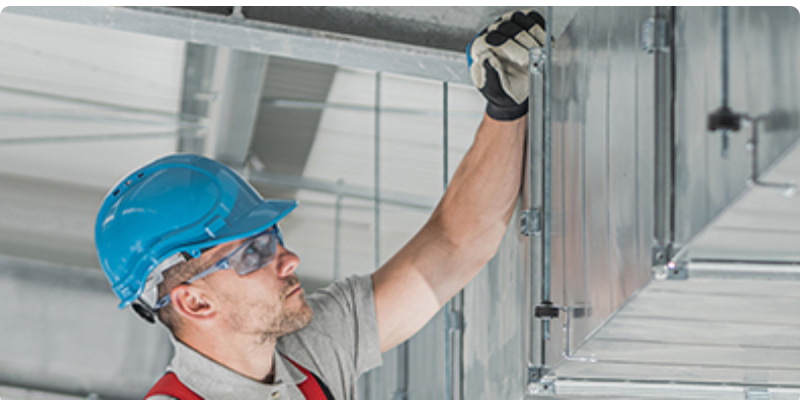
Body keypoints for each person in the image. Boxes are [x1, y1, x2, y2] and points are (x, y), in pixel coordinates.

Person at [94, 9, 546, 400]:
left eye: (272, 240)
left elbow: (453, 244)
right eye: (254, 253)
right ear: (194, 302)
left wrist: (505, 107)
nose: (289, 260)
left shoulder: (306, 353)